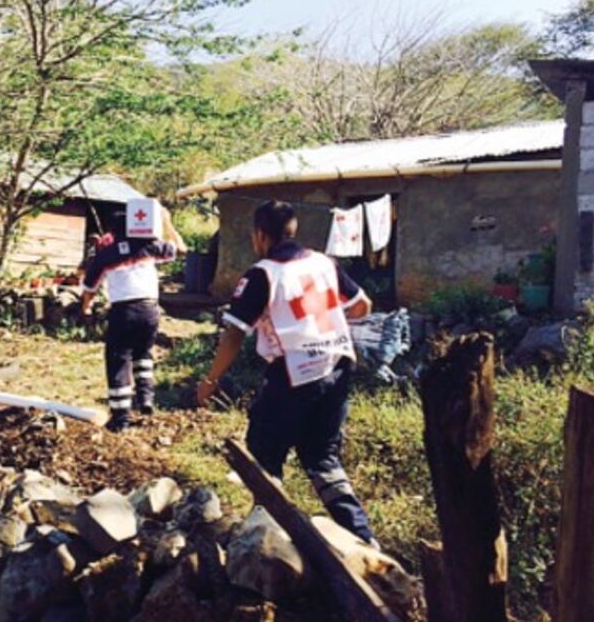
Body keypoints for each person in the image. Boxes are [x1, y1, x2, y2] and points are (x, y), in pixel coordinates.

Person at [196, 200, 379, 547]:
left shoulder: (262, 273)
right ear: (293, 231)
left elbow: (234, 333)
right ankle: (363, 538)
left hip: (295, 371)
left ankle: (265, 540)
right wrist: (322, 324)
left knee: (264, 455)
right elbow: (362, 305)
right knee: (321, 456)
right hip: (338, 364)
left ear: (260, 236)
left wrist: (210, 380)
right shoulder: (324, 263)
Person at [81, 208, 186, 432]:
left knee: (119, 359)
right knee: (143, 353)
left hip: (123, 311)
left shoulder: (106, 254)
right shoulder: (148, 246)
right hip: (150, 310)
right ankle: (146, 399)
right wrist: (166, 221)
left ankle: (121, 419)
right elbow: (181, 248)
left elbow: (89, 287)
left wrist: (86, 308)